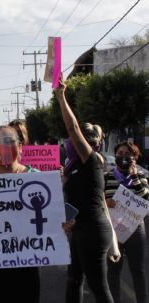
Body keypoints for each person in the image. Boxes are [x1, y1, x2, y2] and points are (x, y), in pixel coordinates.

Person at [57, 81, 113, 303]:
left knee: (99, 287)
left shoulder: (93, 161)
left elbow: (73, 128)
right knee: (73, 280)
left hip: (94, 231)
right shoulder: (75, 167)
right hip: (80, 228)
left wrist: (62, 97)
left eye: (84, 140)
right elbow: (74, 198)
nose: (76, 142)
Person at [0, 125, 40, 303]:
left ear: (20, 147)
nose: (2, 147)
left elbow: (54, 218)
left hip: (26, 264)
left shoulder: (38, 178)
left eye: (8, 142)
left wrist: (62, 225)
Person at [104, 141, 148, 303]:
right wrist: (105, 201)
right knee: (114, 270)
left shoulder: (141, 177)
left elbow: (145, 197)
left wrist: (134, 175)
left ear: (135, 158)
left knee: (138, 270)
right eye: (120, 153)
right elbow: (98, 200)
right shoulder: (106, 177)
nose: (122, 157)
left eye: (127, 154)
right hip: (114, 230)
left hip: (136, 228)